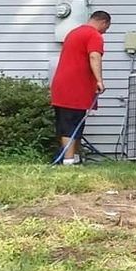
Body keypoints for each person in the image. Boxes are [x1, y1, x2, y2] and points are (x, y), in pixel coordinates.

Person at [52, 10, 110, 164]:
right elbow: (94, 56)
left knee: (73, 123)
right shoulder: (94, 35)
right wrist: (99, 80)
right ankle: (69, 162)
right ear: (103, 22)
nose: (104, 32)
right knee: (71, 125)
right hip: (75, 88)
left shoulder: (74, 33)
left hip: (61, 86)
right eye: (106, 28)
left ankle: (75, 159)